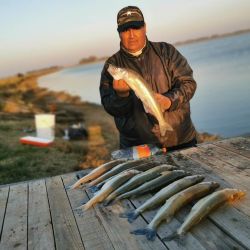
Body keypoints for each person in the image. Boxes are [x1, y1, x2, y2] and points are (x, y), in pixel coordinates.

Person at [100, 6, 197, 151]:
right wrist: (121, 96)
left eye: (136, 27)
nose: (131, 35)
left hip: (180, 138)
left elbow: (188, 84)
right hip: (138, 145)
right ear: (119, 33)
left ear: (145, 27)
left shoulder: (167, 51)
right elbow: (110, 107)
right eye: (125, 29)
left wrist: (169, 100)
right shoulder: (112, 65)